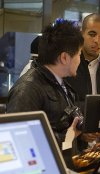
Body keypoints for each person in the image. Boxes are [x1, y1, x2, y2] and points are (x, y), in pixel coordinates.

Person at [7, 20, 84, 154]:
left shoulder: (60, 83)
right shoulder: (28, 89)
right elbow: (19, 140)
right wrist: (65, 138)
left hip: (65, 167)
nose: (80, 60)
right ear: (65, 58)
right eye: (78, 54)